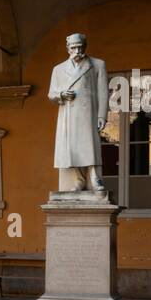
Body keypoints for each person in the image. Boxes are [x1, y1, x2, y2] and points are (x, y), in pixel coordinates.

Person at [47, 33, 109, 193]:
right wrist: (61, 94)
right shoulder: (59, 69)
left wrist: (102, 115)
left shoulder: (97, 64)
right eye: (73, 47)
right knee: (70, 148)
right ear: (68, 48)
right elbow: (51, 93)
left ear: (85, 46)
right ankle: (79, 179)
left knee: (89, 145)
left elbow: (103, 92)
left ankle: (95, 178)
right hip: (68, 114)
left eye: (80, 47)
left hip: (88, 113)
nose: (77, 50)